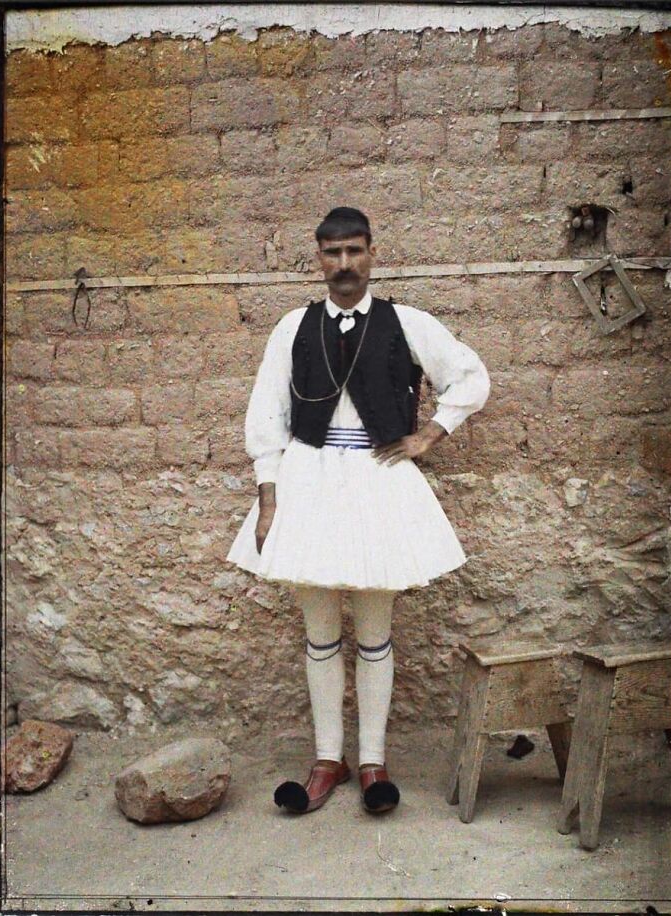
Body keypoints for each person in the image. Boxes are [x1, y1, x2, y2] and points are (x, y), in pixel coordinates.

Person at [226, 207, 490, 816]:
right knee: (319, 630)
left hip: (380, 480)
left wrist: (431, 436)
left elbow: (470, 378)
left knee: (374, 631)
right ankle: (327, 759)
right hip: (309, 479)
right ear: (318, 258)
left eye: (354, 252)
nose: (343, 265)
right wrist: (268, 498)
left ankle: (373, 761)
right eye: (331, 253)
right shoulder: (293, 327)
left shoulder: (408, 322)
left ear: (371, 254)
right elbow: (266, 414)